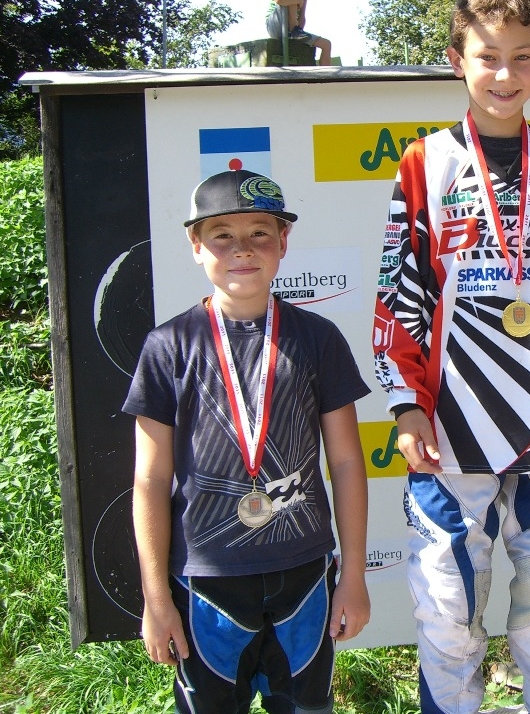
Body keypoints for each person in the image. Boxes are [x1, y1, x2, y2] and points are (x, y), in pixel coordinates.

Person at [370, 0, 530, 714]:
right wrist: (406, 406)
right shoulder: (424, 163)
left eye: (522, 57)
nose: (505, 75)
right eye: (488, 57)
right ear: (457, 61)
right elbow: (399, 295)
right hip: (449, 436)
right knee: (448, 617)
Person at [126, 169, 371, 713]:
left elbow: (347, 463)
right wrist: (156, 598)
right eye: (222, 235)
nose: (242, 249)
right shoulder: (168, 346)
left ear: (284, 241)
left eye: (260, 232)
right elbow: (150, 479)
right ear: (196, 246)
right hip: (205, 582)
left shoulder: (318, 338)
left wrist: (352, 574)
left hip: (303, 575)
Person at [265, 0, 332, 66]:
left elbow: (302, 16)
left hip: (293, 31)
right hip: (275, 25)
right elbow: (278, 0)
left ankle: (326, 74)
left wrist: (300, 29)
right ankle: (294, 30)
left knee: (326, 44)